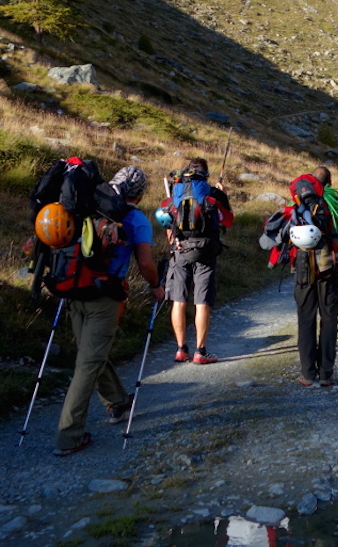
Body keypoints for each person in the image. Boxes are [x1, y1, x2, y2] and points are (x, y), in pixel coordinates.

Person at [54, 165, 165, 456]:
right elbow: (145, 264)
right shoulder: (136, 219)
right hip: (105, 298)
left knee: (91, 353)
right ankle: (69, 436)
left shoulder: (84, 206)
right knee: (88, 362)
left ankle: (117, 400)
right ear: (139, 195)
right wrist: (156, 285)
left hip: (73, 289)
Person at [163, 157, 232, 365]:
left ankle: (180, 349)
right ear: (206, 174)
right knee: (202, 302)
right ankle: (200, 351)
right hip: (205, 251)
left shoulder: (176, 193)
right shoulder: (213, 193)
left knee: (179, 300)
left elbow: (167, 225)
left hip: (180, 249)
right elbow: (228, 221)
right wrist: (223, 194)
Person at [291, 166, 338, 387]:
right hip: (329, 265)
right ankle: (326, 374)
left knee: (306, 318)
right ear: (328, 183)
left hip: (303, 266)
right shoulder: (337, 203)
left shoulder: (296, 202)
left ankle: (307, 374)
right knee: (329, 318)